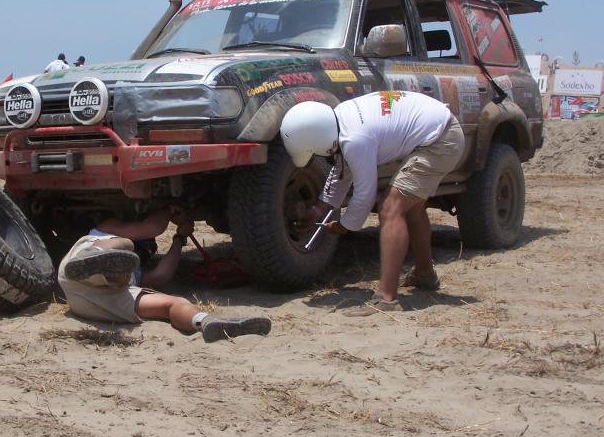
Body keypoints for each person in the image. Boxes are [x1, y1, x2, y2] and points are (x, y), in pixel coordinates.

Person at [280, 91, 465, 316]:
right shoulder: (341, 119)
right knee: (412, 208)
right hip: (438, 131)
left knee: (390, 206)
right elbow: (341, 172)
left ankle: (387, 299)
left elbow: (365, 194)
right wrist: (318, 211)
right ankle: (425, 275)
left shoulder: (354, 139)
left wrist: (344, 225)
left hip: (440, 140)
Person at [58, 208, 272, 342]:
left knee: (172, 303)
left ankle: (206, 322)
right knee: (125, 246)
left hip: (93, 301)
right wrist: (168, 208)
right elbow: (151, 227)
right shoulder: (106, 229)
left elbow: (161, 275)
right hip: (81, 267)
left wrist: (179, 237)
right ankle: (100, 260)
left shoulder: (134, 269)